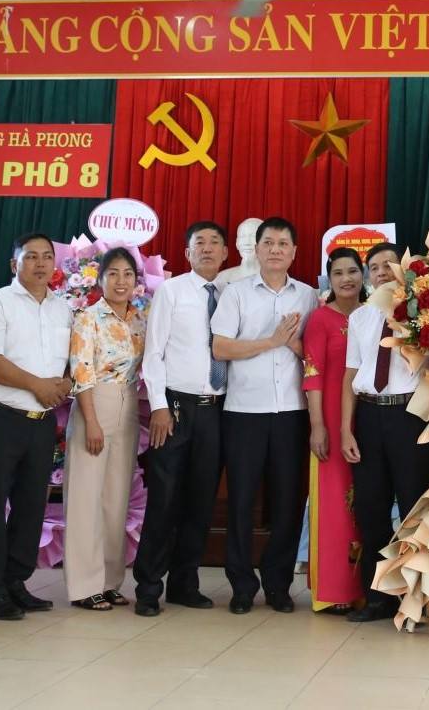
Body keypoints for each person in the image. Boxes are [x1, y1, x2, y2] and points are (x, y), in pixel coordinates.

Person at [0, 232, 74, 621]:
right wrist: (38, 385)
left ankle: (15, 581)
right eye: (31, 257)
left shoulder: (63, 309)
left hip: (42, 422)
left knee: (32, 505)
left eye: (47, 257)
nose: (41, 264)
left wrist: (63, 382)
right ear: (15, 264)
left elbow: (66, 362)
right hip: (0, 417)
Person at [212, 216, 317, 614]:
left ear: (294, 252)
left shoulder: (307, 296)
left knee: (288, 502)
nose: (276, 250)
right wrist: (270, 341)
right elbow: (220, 348)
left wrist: (292, 346)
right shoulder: (236, 294)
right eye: (268, 243)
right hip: (244, 414)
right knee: (241, 501)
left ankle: (277, 584)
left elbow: (316, 356)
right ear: (256, 250)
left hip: (291, 414)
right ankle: (241, 585)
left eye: (283, 244)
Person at [339, 242, 429, 623]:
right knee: (371, 509)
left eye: (389, 265)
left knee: (416, 509)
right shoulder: (361, 317)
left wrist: (413, 328)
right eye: (375, 267)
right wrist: (345, 428)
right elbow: (352, 374)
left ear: (405, 269)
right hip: (368, 416)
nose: (382, 271)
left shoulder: (424, 312)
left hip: (412, 415)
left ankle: (418, 599)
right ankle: (379, 597)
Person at [134, 221, 230, 617]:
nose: (206, 249)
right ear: (187, 253)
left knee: (200, 500)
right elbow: (153, 352)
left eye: (214, 243)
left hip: (217, 409)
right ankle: (148, 587)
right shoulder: (171, 292)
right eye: (198, 244)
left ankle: (184, 584)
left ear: (227, 253)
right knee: (165, 498)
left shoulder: (231, 295)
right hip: (174, 408)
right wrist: (157, 405)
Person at [64, 248, 147, 611]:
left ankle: (110, 581)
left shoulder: (139, 320)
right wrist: (92, 421)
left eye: (127, 274)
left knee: (116, 498)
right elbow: (81, 371)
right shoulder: (87, 318)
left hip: (129, 404)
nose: (121, 281)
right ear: (100, 280)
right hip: (93, 403)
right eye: (112, 274)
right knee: (86, 497)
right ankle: (84, 585)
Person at [301, 248, 368, 614]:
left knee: (365, 506)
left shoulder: (374, 315)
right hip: (329, 418)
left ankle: (364, 586)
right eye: (339, 272)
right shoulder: (320, 320)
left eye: (353, 271)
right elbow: (312, 376)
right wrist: (318, 427)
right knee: (335, 504)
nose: (347, 279)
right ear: (330, 278)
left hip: (368, 420)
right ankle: (332, 589)